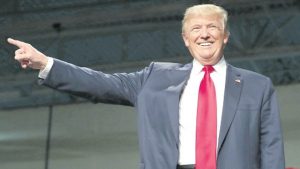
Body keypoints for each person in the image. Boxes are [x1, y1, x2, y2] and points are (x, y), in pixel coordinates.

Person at [7, 4, 285, 169]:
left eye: (212, 27)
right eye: (196, 29)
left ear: (224, 36)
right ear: (186, 39)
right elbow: (101, 83)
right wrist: (45, 63)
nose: (204, 34)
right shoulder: (155, 77)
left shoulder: (256, 85)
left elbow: (271, 146)